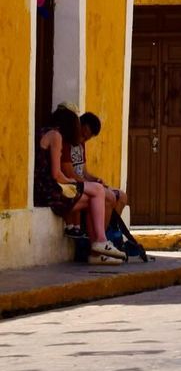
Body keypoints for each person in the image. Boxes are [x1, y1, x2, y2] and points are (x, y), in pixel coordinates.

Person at [34, 107, 124, 263]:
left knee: (94, 199)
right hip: (50, 192)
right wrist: (73, 182)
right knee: (97, 190)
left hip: (47, 190)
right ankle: (100, 242)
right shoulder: (56, 136)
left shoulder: (46, 132)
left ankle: (96, 252)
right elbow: (56, 174)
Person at [73, 112, 128, 220]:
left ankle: (112, 229)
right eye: (83, 134)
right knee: (109, 197)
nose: (83, 139)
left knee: (121, 196)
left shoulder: (81, 145)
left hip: (86, 184)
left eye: (87, 138)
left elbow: (84, 172)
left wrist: (96, 180)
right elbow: (70, 174)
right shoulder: (67, 144)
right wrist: (90, 184)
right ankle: (101, 233)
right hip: (77, 185)